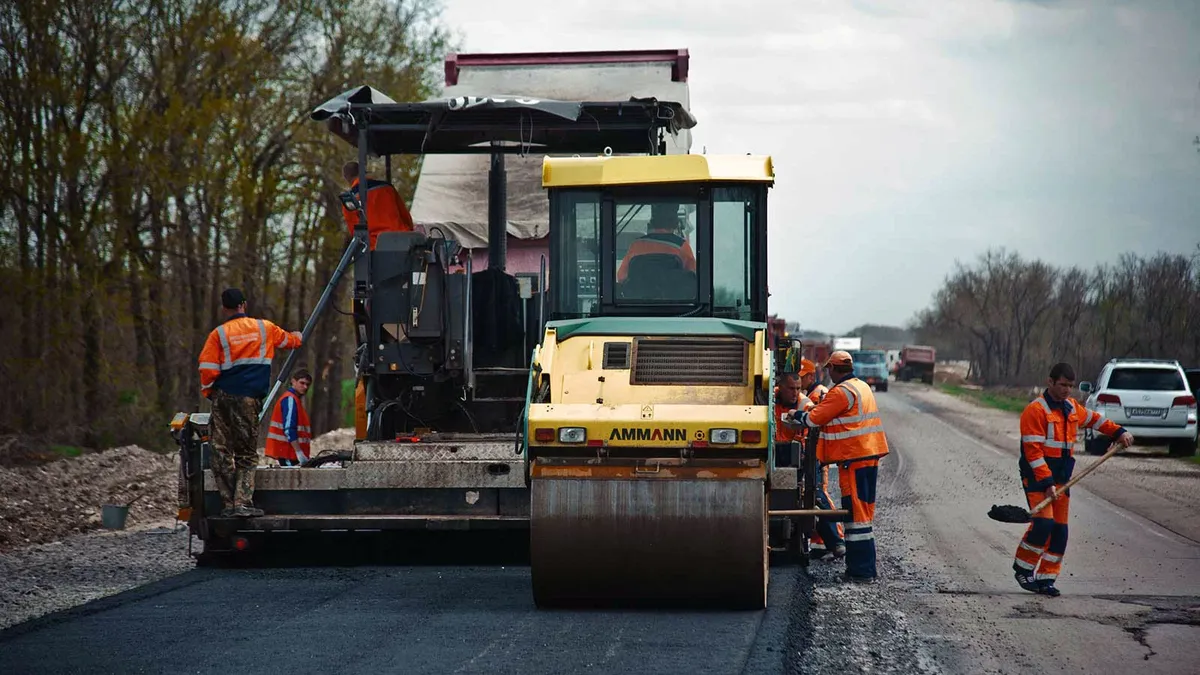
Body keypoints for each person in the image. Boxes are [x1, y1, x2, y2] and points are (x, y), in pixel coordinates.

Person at [1013, 362, 1134, 597]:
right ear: (1050, 382)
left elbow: (1096, 420)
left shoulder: (1071, 408)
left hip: (1063, 480)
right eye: (1062, 385)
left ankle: (1046, 579)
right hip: (1037, 478)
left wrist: (1119, 432)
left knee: (1060, 531)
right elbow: (1033, 452)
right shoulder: (1035, 411)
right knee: (1043, 524)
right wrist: (1047, 483)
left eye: (1070, 385)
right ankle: (1023, 568)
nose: (1067, 390)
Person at [198, 288, 303, 517]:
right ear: (243, 305)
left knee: (221, 450)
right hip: (248, 398)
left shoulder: (218, 335)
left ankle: (228, 504)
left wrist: (210, 393)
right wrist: (298, 336)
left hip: (223, 396)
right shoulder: (264, 328)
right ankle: (242, 503)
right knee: (245, 453)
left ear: (224, 308)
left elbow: (207, 369)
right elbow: (290, 341)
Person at [785, 350, 888, 582]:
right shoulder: (860, 386)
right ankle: (864, 569)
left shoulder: (841, 392)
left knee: (856, 516)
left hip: (854, 458)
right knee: (863, 515)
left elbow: (814, 419)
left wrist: (795, 414)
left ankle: (860, 572)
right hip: (867, 454)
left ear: (832, 368)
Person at [796, 358, 844, 560]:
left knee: (818, 494)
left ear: (810, 376)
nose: (799, 384)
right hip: (810, 452)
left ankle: (837, 539)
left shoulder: (818, 395)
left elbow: (815, 422)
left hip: (815, 453)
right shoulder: (810, 393)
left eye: (801, 378)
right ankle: (822, 541)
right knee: (814, 494)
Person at [340, 160, 414, 250]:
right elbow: (406, 217)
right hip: (402, 241)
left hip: (375, 247)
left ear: (346, 178)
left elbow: (355, 232)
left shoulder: (350, 200)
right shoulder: (387, 188)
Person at [616, 202, 697, 284]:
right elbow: (693, 279)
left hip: (639, 296)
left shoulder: (636, 246)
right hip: (672, 296)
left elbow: (621, 277)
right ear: (675, 223)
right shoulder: (682, 247)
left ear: (651, 223)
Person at [266, 369, 313, 467]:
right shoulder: (290, 400)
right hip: (288, 452)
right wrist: (299, 452)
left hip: (290, 452)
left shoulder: (294, 400)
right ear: (293, 381)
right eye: (302, 383)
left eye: (307, 384)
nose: (305, 387)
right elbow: (289, 428)